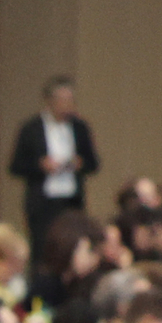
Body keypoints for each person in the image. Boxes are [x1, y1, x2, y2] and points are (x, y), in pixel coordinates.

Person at [11, 76, 96, 237]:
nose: (67, 104)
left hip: (72, 200)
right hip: (43, 202)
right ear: (49, 100)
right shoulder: (31, 129)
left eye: (70, 99)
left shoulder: (80, 128)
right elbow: (16, 166)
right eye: (62, 99)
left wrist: (80, 163)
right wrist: (40, 165)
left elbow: (93, 163)